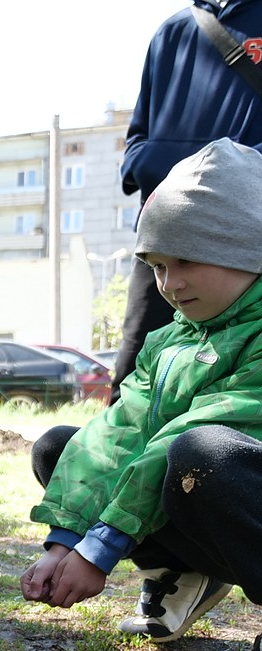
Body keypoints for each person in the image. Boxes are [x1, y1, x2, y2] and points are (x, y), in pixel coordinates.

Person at [22, 138, 262, 651]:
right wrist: (66, 538)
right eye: (156, 264)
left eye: (188, 261)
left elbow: (197, 428)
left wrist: (101, 546)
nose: (169, 284)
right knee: (61, 447)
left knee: (206, 452)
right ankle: (179, 572)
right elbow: (119, 433)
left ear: (249, 251)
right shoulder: (171, 339)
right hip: (215, 519)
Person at [112, 0, 262, 402]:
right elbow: (138, 133)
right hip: (166, 231)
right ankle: (117, 457)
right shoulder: (173, 29)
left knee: (240, 378)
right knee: (135, 370)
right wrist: (147, 166)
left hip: (241, 236)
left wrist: (235, 171)